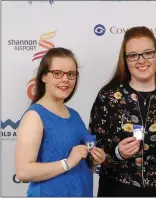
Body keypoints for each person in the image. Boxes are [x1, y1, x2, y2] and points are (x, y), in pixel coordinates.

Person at [89, 26, 156, 197]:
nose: (141, 60)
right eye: (133, 55)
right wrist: (117, 153)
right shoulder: (108, 96)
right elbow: (94, 149)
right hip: (118, 188)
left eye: (148, 53)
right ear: (125, 60)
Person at [15, 47, 106, 197]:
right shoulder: (34, 116)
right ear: (44, 76)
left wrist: (95, 159)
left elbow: (80, 161)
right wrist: (67, 162)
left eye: (71, 74)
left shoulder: (74, 115)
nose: (65, 79)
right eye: (57, 73)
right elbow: (23, 172)